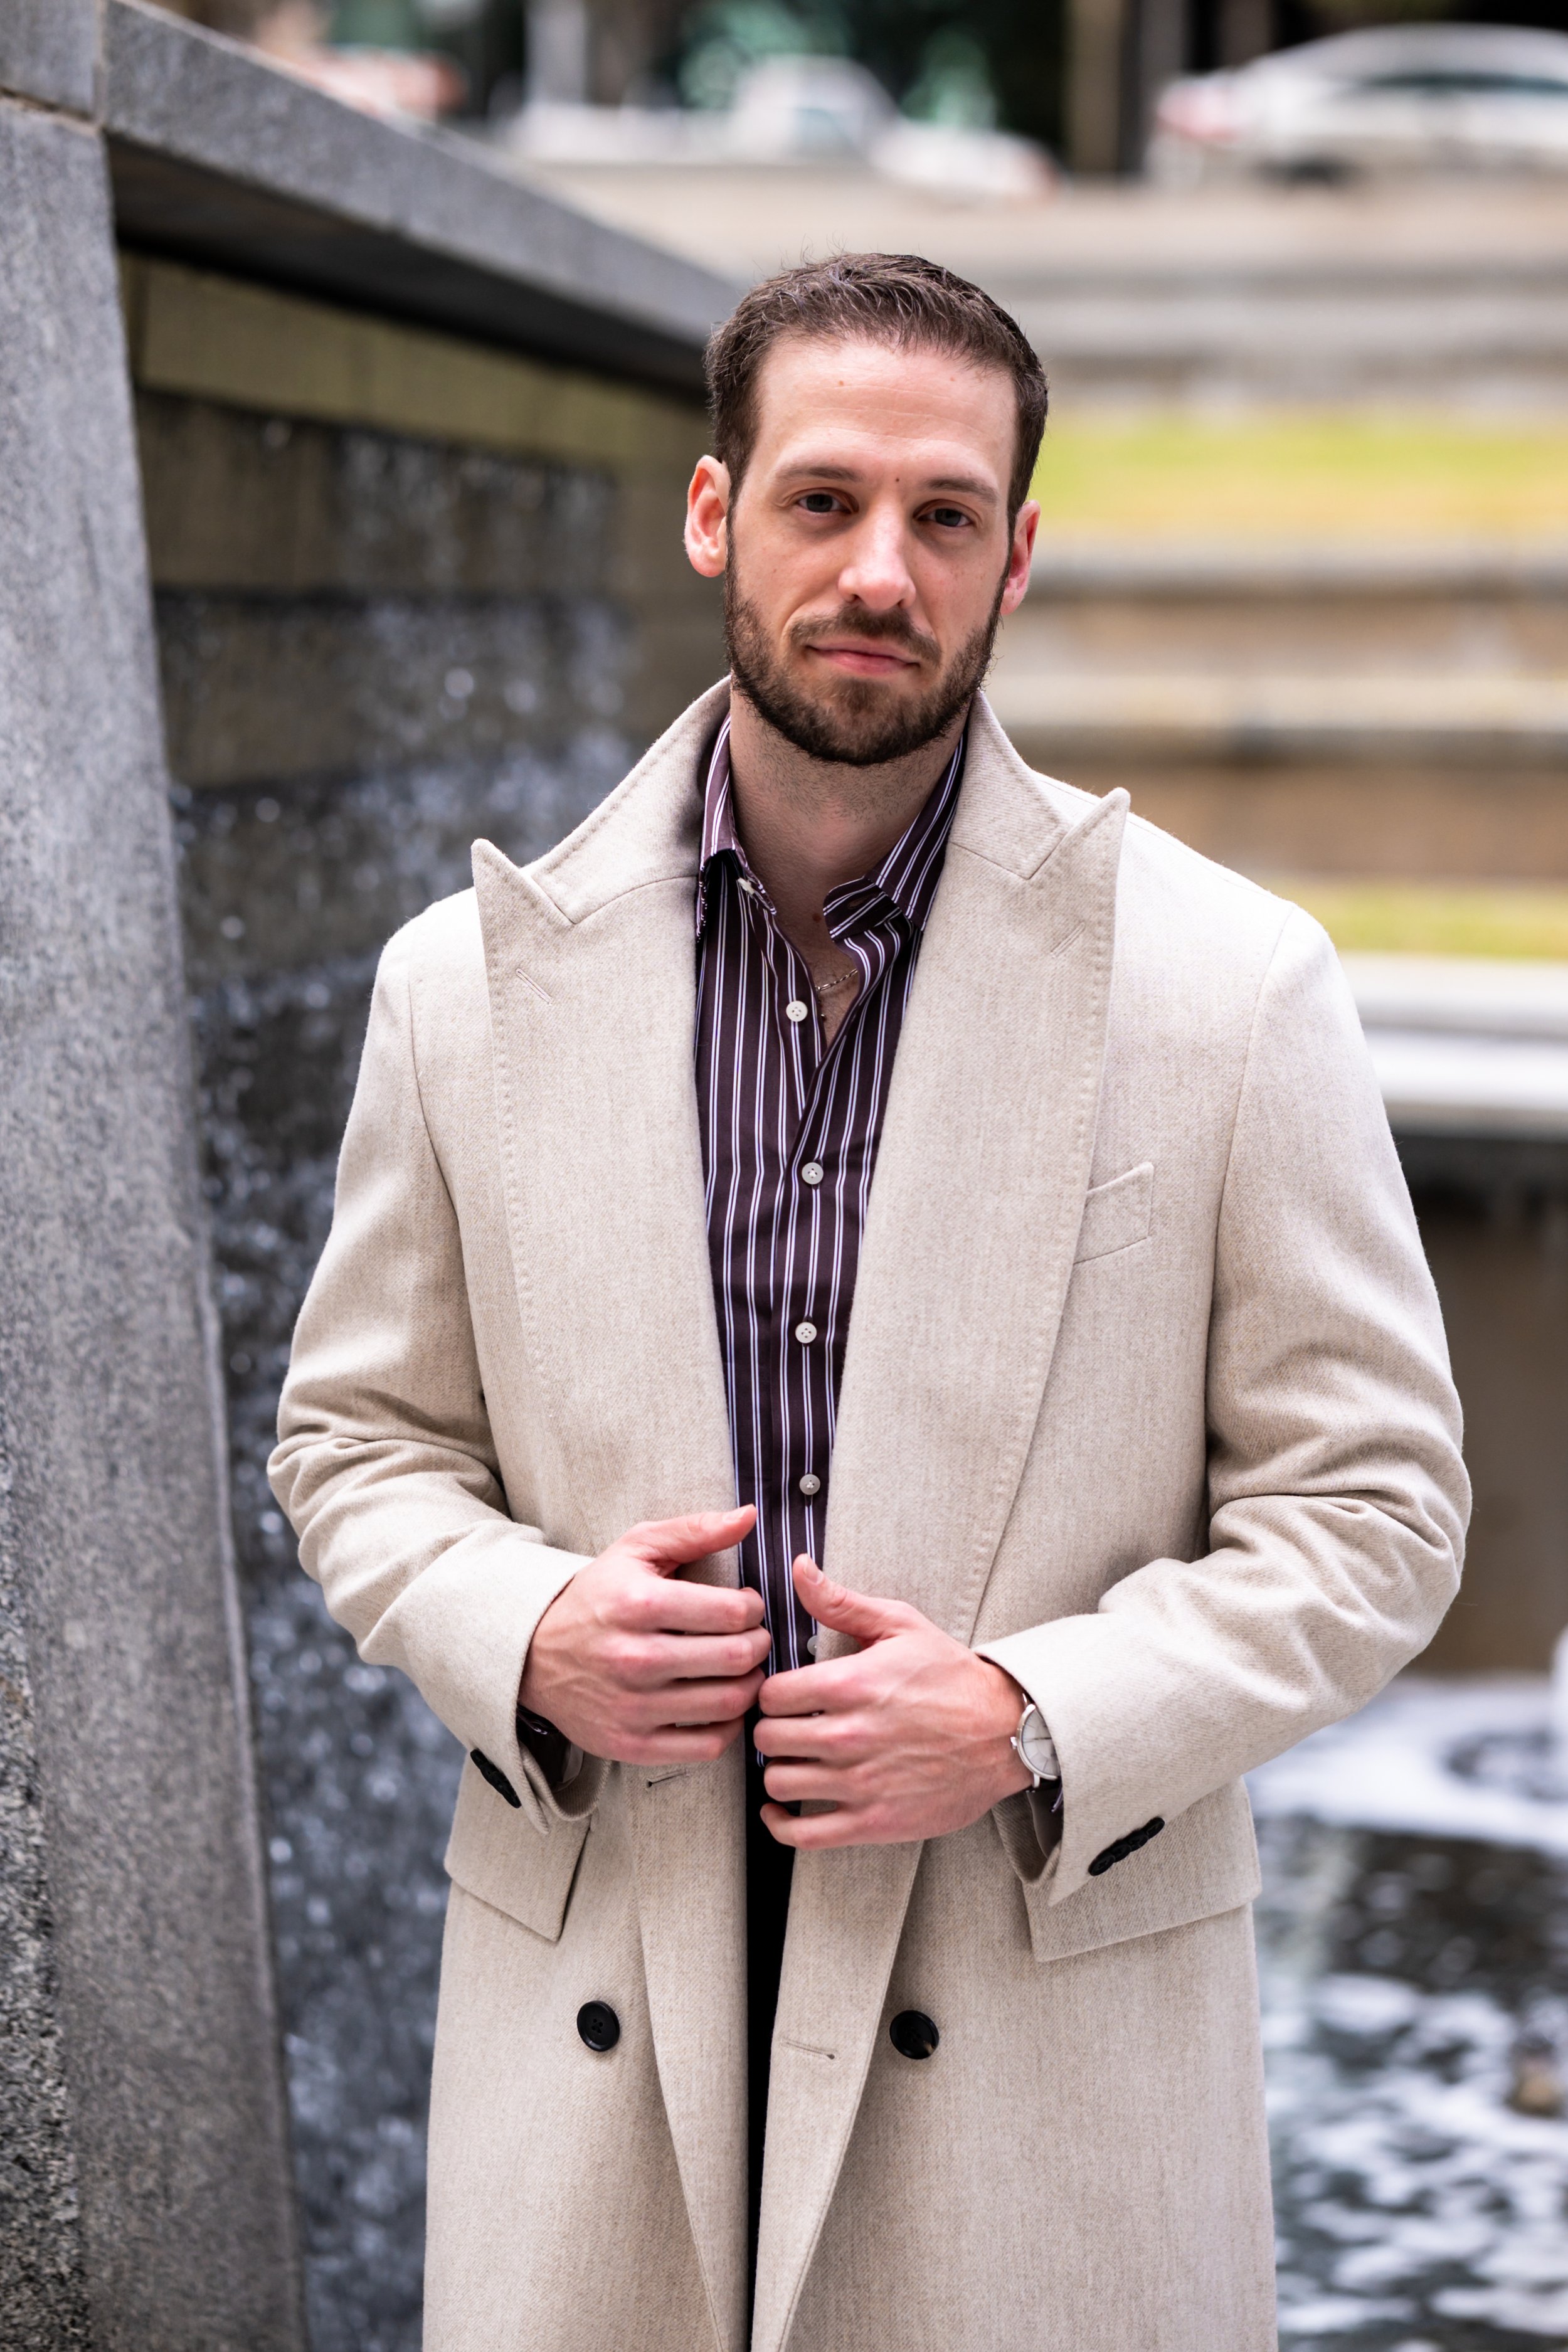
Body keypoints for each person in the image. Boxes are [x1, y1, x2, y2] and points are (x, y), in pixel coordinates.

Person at [269, 252, 1468, 2352]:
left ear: (1016, 556)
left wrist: (1024, 1718)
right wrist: (521, 1624)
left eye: (939, 518)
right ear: (715, 515)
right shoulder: (454, 988)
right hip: (600, 2029)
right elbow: (356, 1446)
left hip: (1031, 2037)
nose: (877, 573)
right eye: (823, 503)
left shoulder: (1228, 987)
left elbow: (1374, 1514)